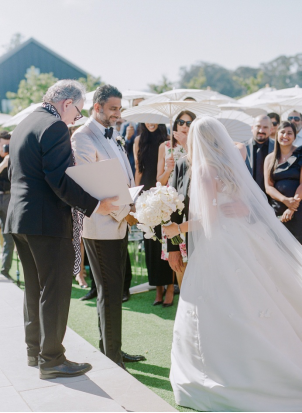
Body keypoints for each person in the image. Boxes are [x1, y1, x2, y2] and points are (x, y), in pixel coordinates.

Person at [165, 117, 302, 412]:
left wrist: (177, 229)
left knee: (216, 305)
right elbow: (240, 205)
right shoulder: (230, 164)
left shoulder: (204, 170)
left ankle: (222, 373)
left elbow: (209, 221)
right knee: (258, 296)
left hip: (220, 244)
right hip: (242, 237)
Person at [5, 80, 119, 380]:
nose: (75, 119)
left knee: (34, 288)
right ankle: (52, 359)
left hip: (20, 219)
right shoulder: (54, 126)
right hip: (46, 221)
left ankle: (36, 351)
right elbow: (59, 180)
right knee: (54, 291)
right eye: (77, 112)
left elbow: (14, 173)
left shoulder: (25, 122)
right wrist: (96, 205)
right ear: (67, 103)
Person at [72, 85, 145, 369]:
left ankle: (112, 347)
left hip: (119, 224)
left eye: (119, 109)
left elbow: (123, 177)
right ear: (97, 107)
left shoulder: (114, 135)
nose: (117, 114)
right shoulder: (82, 137)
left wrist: (133, 203)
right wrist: (125, 209)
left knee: (116, 292)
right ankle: (111, 356)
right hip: (100, 226)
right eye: (112, 108)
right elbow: (91, 185)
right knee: (109, 292)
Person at [134, 123, 174, 307]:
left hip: (163, 194)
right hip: (145, 196)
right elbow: (138, 169)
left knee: (166, 243)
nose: (151, 123)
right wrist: (134, 197)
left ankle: (170, 287)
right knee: (150, 244)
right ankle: (157, 289)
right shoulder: (138, 141)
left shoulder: (167, 142)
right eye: (147, 119)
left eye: (154, 119)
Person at [157, 111, 196, 289]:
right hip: (175, 211)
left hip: (195, 213)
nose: (184, 126)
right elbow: (160, 182)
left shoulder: (201, 150)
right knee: (179, 263)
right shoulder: (166, 147)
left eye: (189, 123)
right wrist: (168, 169)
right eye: (181, 122)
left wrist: (186, 144)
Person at [264, 122, 302, 243]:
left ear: (295, 137)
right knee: (278, 246)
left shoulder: (300, 154)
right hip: (277, 208)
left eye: (289, 133)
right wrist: (285, 200)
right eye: (282, 132)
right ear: (276, 134)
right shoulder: (270, 158)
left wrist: (292, 207)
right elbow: (268, 187)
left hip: (298, 209)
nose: (285, 135)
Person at [245, 115, 274, 192]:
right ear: (252, 128)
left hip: (272, 200)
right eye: (258, 126)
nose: (261, 130)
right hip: (248, 197)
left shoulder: (278, 148)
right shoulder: (242, 148)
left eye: (265, 127)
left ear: (271, 129)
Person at [0, 131, 14, 279]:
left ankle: (5, 271)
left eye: (8, 145)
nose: (5, 148)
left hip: (9, 197)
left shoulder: (13, 157)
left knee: (8, 236)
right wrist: (3, 164)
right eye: (3, 145)